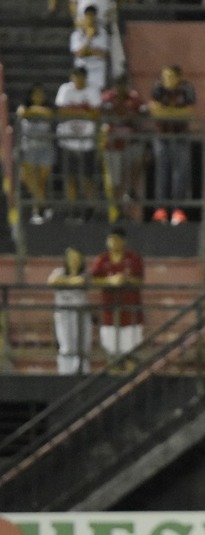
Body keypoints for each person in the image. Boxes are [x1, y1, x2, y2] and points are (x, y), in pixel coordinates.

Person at [148, 64, 196, 226]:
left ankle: (178, 210)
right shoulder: (158, 88)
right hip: (162, 136)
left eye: (170, 76)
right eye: (164, 76)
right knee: (162, 172)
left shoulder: (187, 89)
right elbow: (155, 111)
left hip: (180, 136)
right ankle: (161, 210)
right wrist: (175, 113)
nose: (166, 80)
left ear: (178, 77)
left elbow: (188, 112)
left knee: (180, 173)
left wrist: (167, 112)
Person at [55, 66, 102, 222]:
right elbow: (61, 111)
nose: (78, 81)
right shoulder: (65, 90)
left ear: (85, 78)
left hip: (86, 141)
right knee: (70, 177)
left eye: (81, 78)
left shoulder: (93, 91)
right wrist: (84, 112)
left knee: (87, 177)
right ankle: (72, 209)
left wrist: (74, 112)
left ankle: (90, 208)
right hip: (68, 140)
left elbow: (96, 114)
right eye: (76, 78)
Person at [90, 227, 144, 361]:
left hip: (131, 315)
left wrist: (125, 279)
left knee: (131, 356)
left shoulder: (133, 258)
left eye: (117, 240)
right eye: (111, 240)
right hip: (110, 314)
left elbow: (139, 280)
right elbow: (94, 280)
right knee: (112, 356)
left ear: (123, 241)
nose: (114, 243)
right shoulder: (101, 260)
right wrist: (110, 280)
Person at [101, 75, 146, 223]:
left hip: (130, 143)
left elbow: (141, 115)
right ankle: (118, 210)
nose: (121, 88)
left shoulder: (134, 98)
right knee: (115, 181)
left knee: (130, 176)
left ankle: (127, 210)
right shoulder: (108, 98)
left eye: (124, 85)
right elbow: (106, 114)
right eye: (118, 85)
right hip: (113, 145)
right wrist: (124, 116)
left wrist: (128, 117)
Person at [48, 247, 92, 375]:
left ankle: (82, 372)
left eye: (76, 258)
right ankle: (65, 373)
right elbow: (52, 280)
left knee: (82, 345)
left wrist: (66, 282)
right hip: (63, 314)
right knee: (66, 346)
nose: (74, 261)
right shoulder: (59, 271)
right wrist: (70, 281)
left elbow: (81, 281)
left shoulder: (85, 273)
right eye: (71, 258)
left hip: (81, 314)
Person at [16, 84, 56, 226]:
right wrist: (35, 111)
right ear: (31, 96)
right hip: (29, 148)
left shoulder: (49, 107)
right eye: (36, 94)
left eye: (41, 94)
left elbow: (49, 114)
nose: (39, 96)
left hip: (45, 148)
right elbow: (22, 113)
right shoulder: (23, 106)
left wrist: (33, 111)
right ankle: (42, 207)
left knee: (41, 181)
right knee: (29, 179)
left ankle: (38, 211)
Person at [69, 5, 109, 91]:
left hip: (97, 71)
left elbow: (103, 54)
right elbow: (79, 54)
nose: (90, 21)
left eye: (92, 17)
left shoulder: (103, 34)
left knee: (97, 94)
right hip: (81, 71)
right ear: (84, 19)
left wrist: (86, 52)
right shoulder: (76, 35)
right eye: (88, 17)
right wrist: (88, 38)